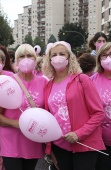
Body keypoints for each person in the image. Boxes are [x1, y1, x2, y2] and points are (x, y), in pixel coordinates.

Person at [42, 41, 105, 170]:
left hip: (84, 144)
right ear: (49, 59)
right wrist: (50, 148)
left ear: (69, 57)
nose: (57, 57)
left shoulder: (82, 80)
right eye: (54, 55)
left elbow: (98, 113)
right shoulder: (48, 85)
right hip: (59, 145)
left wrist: (79, 133)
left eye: (61, 54)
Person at [0, 44, 48, 170]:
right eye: (21, 56)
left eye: (29, 56)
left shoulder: (43, 82)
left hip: (33, 139)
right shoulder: (8, 82)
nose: (26, 59)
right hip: (11, 138)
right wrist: (18, 123)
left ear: (35, 59)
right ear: (16, 60)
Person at [91, 42, 111, 170]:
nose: (108, 58)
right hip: (101, 142)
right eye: (104, 56)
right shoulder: (92, 81)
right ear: (99, 60)